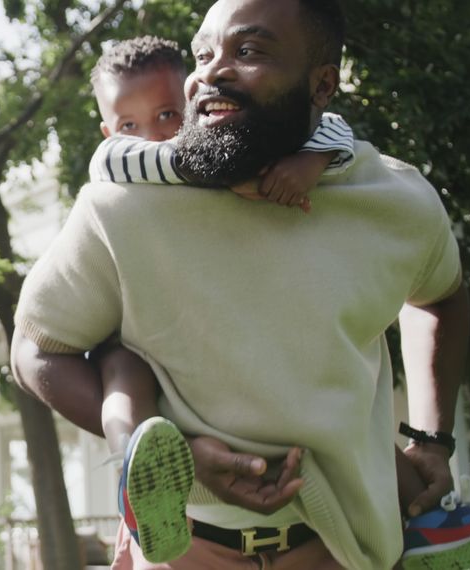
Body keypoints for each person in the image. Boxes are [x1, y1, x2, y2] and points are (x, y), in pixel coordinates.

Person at [11, 0, 470, 568]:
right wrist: (174, 460)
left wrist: (432, 439)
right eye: (202, 54)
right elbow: (35, 351)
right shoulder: (124, 206)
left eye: (247, 51)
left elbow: (440, 297)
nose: (211, 72)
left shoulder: (396, 198)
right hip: (182, 552)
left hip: (345, 550)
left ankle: (428, 526)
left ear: (321, 85)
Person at [82, 35, 358, 564]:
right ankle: (138, 485)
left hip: (211, 330)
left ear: (193, 100)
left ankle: (424, 514)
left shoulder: (235, 136)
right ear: (110, 129)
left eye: (167, 113)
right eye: (129, 124)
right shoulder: (125, 162)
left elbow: (339, 128)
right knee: (122, 378)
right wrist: (219, 168)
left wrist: (314, 160)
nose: (153, 134)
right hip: (132, 327)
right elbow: (110, 161)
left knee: (345, 402)